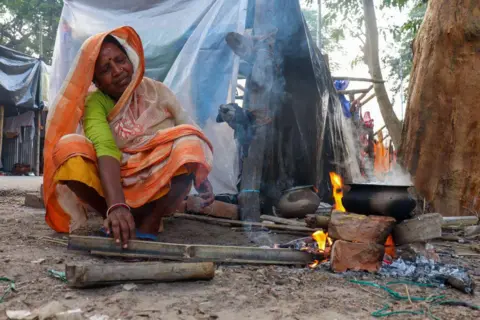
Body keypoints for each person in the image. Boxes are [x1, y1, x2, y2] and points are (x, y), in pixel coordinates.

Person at [43, 26, 214, 247]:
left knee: (191, 141)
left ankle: (151, 221)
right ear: (96, 81)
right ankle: (116, 219)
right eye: (105, 69)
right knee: (68, 148)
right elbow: (105, 147)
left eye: (120, 60)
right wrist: (116, 205)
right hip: (113, 183)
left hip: (156, 183)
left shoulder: (157, 92)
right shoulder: (95, 102)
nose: (117, 70)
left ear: (131, 60)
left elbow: (186, 126)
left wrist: (201, 174)